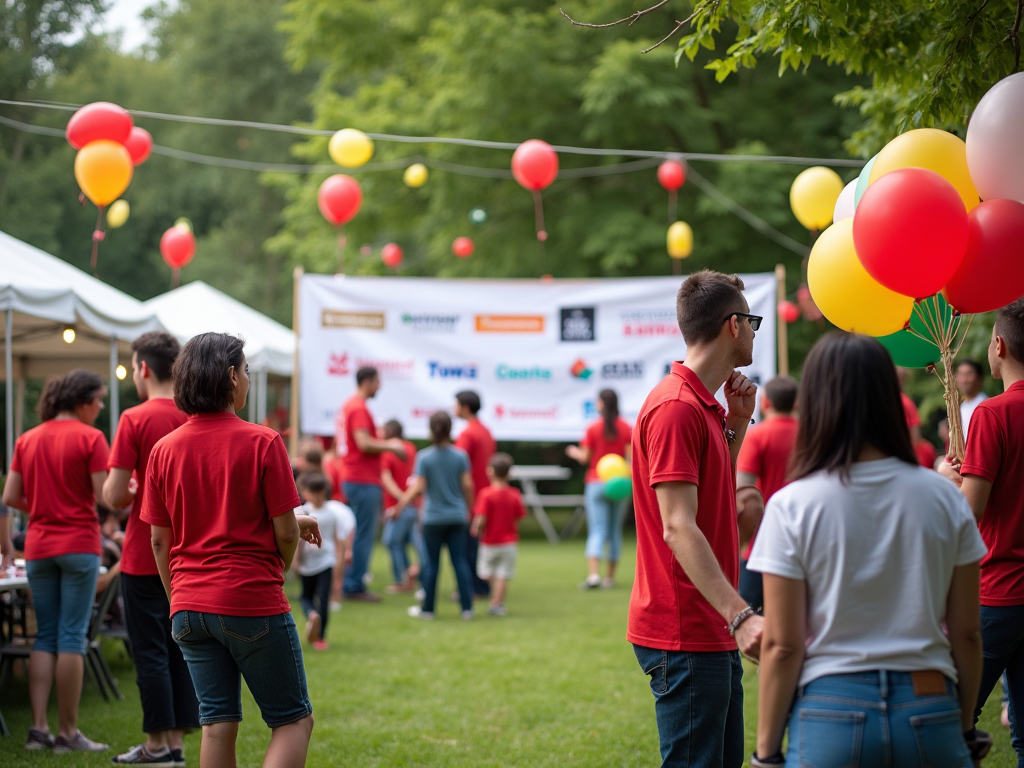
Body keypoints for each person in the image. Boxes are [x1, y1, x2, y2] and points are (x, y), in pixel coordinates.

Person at [748, 333, 987, 768]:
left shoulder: (791, 504)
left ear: (816, 402)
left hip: (828, 709)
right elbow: (968, 633)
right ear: (889, 396)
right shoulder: (945, 497)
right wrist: (965, 727)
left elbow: (782, 646)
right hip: (930, 703)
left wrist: (766, 753)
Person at [141, 333, 321, 768]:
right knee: (293, 722)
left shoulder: (164, 450)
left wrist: (176, 599)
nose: (245, 381)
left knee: (217, 725)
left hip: (188, 607)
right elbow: (283, 534)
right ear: (229, 376)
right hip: (250, 599)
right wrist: (276, 570)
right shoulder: (264, 442)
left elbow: (161, 540)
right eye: (244, 372)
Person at [629, 270, 762, 768]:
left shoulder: (702, 406)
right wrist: (741, 615)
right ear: (733, 325)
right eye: (752, 322)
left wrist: (737, 422)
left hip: (710, 624)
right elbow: (678, 525)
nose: (753, 332)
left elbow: (712, 493)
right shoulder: (676, 408)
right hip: (688, 628)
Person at [102, 330, 199, 767]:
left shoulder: (134, 419)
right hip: (193, 552)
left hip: (145, 553)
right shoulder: (196, 414)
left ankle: (158, 745)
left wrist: (130, 492)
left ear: (142, 368)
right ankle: (176, 745)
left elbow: (114, 494)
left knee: (150, 652)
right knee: (182, 648)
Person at [2, 370, 110, 753]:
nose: (100, 406)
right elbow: (105, 495)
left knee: (44, 635)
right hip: (79, 543)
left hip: (40, 546)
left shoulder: (28, 438)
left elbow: (11, 496)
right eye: (97, 399)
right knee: (71, 637)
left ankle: (38, 729)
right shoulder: (92, 438)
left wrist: (45, 506)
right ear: (81, 401)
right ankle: (67, 733)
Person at [940, 299, 1024, 763]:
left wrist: (946, 479)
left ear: (999, 345)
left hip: (999, 594)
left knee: (946, 723)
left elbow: (966, 514)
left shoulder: (993, 413)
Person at [390, 411, 475, 620]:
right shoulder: (460, 456)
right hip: (457, 517)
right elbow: (467, 485)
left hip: (433, 519)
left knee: (431, 564)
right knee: (460, 562)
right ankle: (467, 609)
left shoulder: (424, 457)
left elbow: (418, 487)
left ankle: (428, 609)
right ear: (450, 429)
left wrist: (399, 506)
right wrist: (470, 510)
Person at [336, 366, 406, 602]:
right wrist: (392, 444)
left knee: (356, 534)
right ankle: (354, 585)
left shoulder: (350, 405)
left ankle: (348, 581)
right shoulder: (358, 407)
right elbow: (364, 443)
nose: (380, 386)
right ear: (367, 381)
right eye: (377, 381)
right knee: (363, 535)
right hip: (362, 479)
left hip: (355, 477)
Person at [735, 375, 798, 612]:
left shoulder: (757, 436)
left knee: (746, 617)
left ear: (765, 403)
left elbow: (744, 491)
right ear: (796, 403)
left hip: (762, 543)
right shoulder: (813, 434)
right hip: (804, 539)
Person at [566, 388, 632, 589]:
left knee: (598, 529)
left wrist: (574, 452)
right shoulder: (626, 428)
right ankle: (609, 578)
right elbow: (630, 459)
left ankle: (593, 575)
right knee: (614, 531)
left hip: (596, 482)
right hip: (619, 484)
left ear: (602, 404)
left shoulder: (592, 428)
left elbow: (585, 458)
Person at [295, 472, 354, 651]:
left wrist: (295, 561)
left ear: (306, 492)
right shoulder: (332, 513)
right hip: (325, 561)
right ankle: (320, 637)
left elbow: (297, 540)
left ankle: (311, 615)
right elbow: (339, 540)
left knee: (306, 596)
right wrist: (341, 562)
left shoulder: (303, 512)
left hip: (311, 562)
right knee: (323, 598)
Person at [470, 453, 526, 616]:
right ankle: (497, 603)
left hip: (490, 542)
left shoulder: (486, 494)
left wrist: (476, 528)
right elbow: (518, 517)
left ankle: (496, 603)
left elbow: (481, 517)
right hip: (509, 543)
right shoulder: (514, 494)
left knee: (485, 573)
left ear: (490, 471)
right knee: (502, 574)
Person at [454, 390, 496, 600]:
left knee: (468, 546)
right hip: (484, 495)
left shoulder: (467, 433)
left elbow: (456, 465)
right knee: (478, 544)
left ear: (465, 407)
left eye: (456, 404)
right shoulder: (486, 431)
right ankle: (481, 585)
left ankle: (472, 587)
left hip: (469, 497)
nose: (454, 409)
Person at [381, 419, 426, 594]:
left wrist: (401, 500)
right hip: (414, 503)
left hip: (398, 506)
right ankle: (417, 577)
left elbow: (387, 479)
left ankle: (403, 579)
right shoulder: (410, 448)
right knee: (416, 543)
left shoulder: (387, 451)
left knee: (391, 541)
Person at [957, 358, 988, 437]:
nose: (964, 380)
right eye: (960, 374)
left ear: (979, 378)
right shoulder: (961, 407)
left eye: (968, 374)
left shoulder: (986, 405)